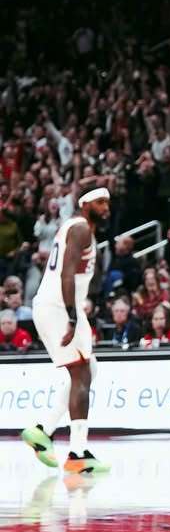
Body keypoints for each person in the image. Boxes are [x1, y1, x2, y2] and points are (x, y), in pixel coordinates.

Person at [20, 186, 112, 474]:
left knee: (89, 368)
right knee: (81, 373)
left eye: (107, 203)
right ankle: (77, 453)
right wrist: (72, 317)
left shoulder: (79, 228)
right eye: (99, 202)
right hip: (59, 307)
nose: (105, 207)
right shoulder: (81, 228)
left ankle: (43, 430)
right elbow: (67, 274)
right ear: (84, 204)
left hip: (62, 306)